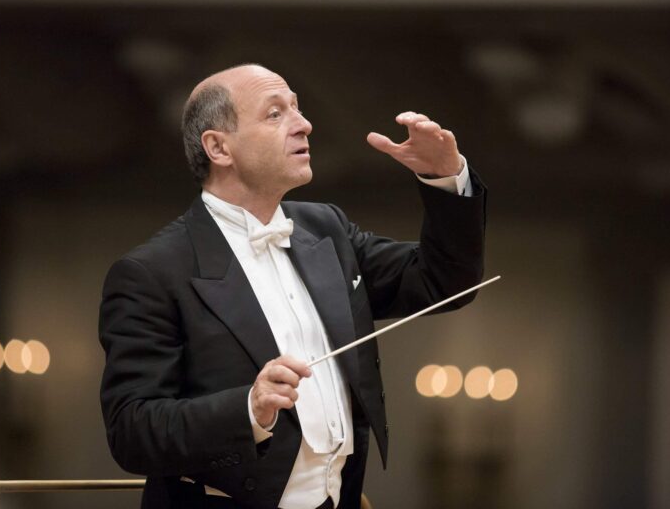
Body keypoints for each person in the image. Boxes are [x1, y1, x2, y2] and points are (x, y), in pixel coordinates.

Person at [99, 64, 486, 509]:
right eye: (275, 113)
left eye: (297, 109)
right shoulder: (150, 272)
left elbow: (443, 281)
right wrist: (249, 408)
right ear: (219, 147)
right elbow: (132, 431)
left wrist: (444, 178)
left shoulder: (326, 228)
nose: (304, 124)